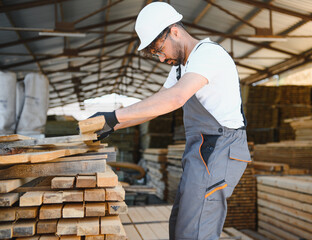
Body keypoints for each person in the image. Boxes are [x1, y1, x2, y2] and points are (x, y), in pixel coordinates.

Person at [89, 2, 251, 239]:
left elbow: (176, 97)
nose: (160, 57)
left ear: (174, 31)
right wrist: (111, 124)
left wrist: (114, 116)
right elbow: (156, 106)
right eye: (155, 53)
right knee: (180, 225)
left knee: (196, 230)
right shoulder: (181, 68)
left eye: (158, 48)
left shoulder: (208, 54)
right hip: (201, 150)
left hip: (221, 148)